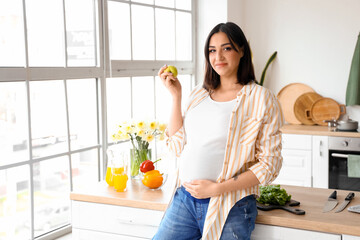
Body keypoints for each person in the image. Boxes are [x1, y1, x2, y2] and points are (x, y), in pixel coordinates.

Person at [155, 22, 284, 240]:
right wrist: (176, 96)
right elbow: (176, 145)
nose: (218, 57)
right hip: (185, 199)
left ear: (242, 50)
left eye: (227, 48)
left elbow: (270, 164)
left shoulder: (261, 98)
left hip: (231, 204)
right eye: (212, 51)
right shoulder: (199, 94)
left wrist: (217, 189)